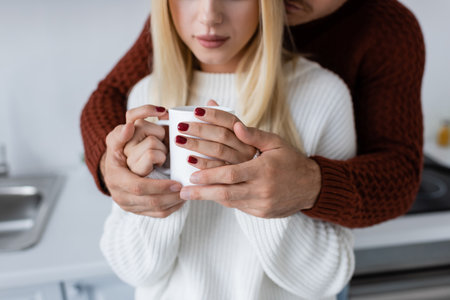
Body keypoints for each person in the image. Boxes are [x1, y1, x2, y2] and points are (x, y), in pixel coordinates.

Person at [80, 0, 425, 228]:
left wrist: (310, 184)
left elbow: (400, 174)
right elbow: (108, 96)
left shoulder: (385, 31)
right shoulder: (202, 18)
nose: (209, 14)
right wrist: (110, 168)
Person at [100, 0, 356, 299]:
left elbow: (327, 279)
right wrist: (161, 187)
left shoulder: (323, 94)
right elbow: (132, 270)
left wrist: (255, 190)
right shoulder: (146, 95)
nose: (210, 16)